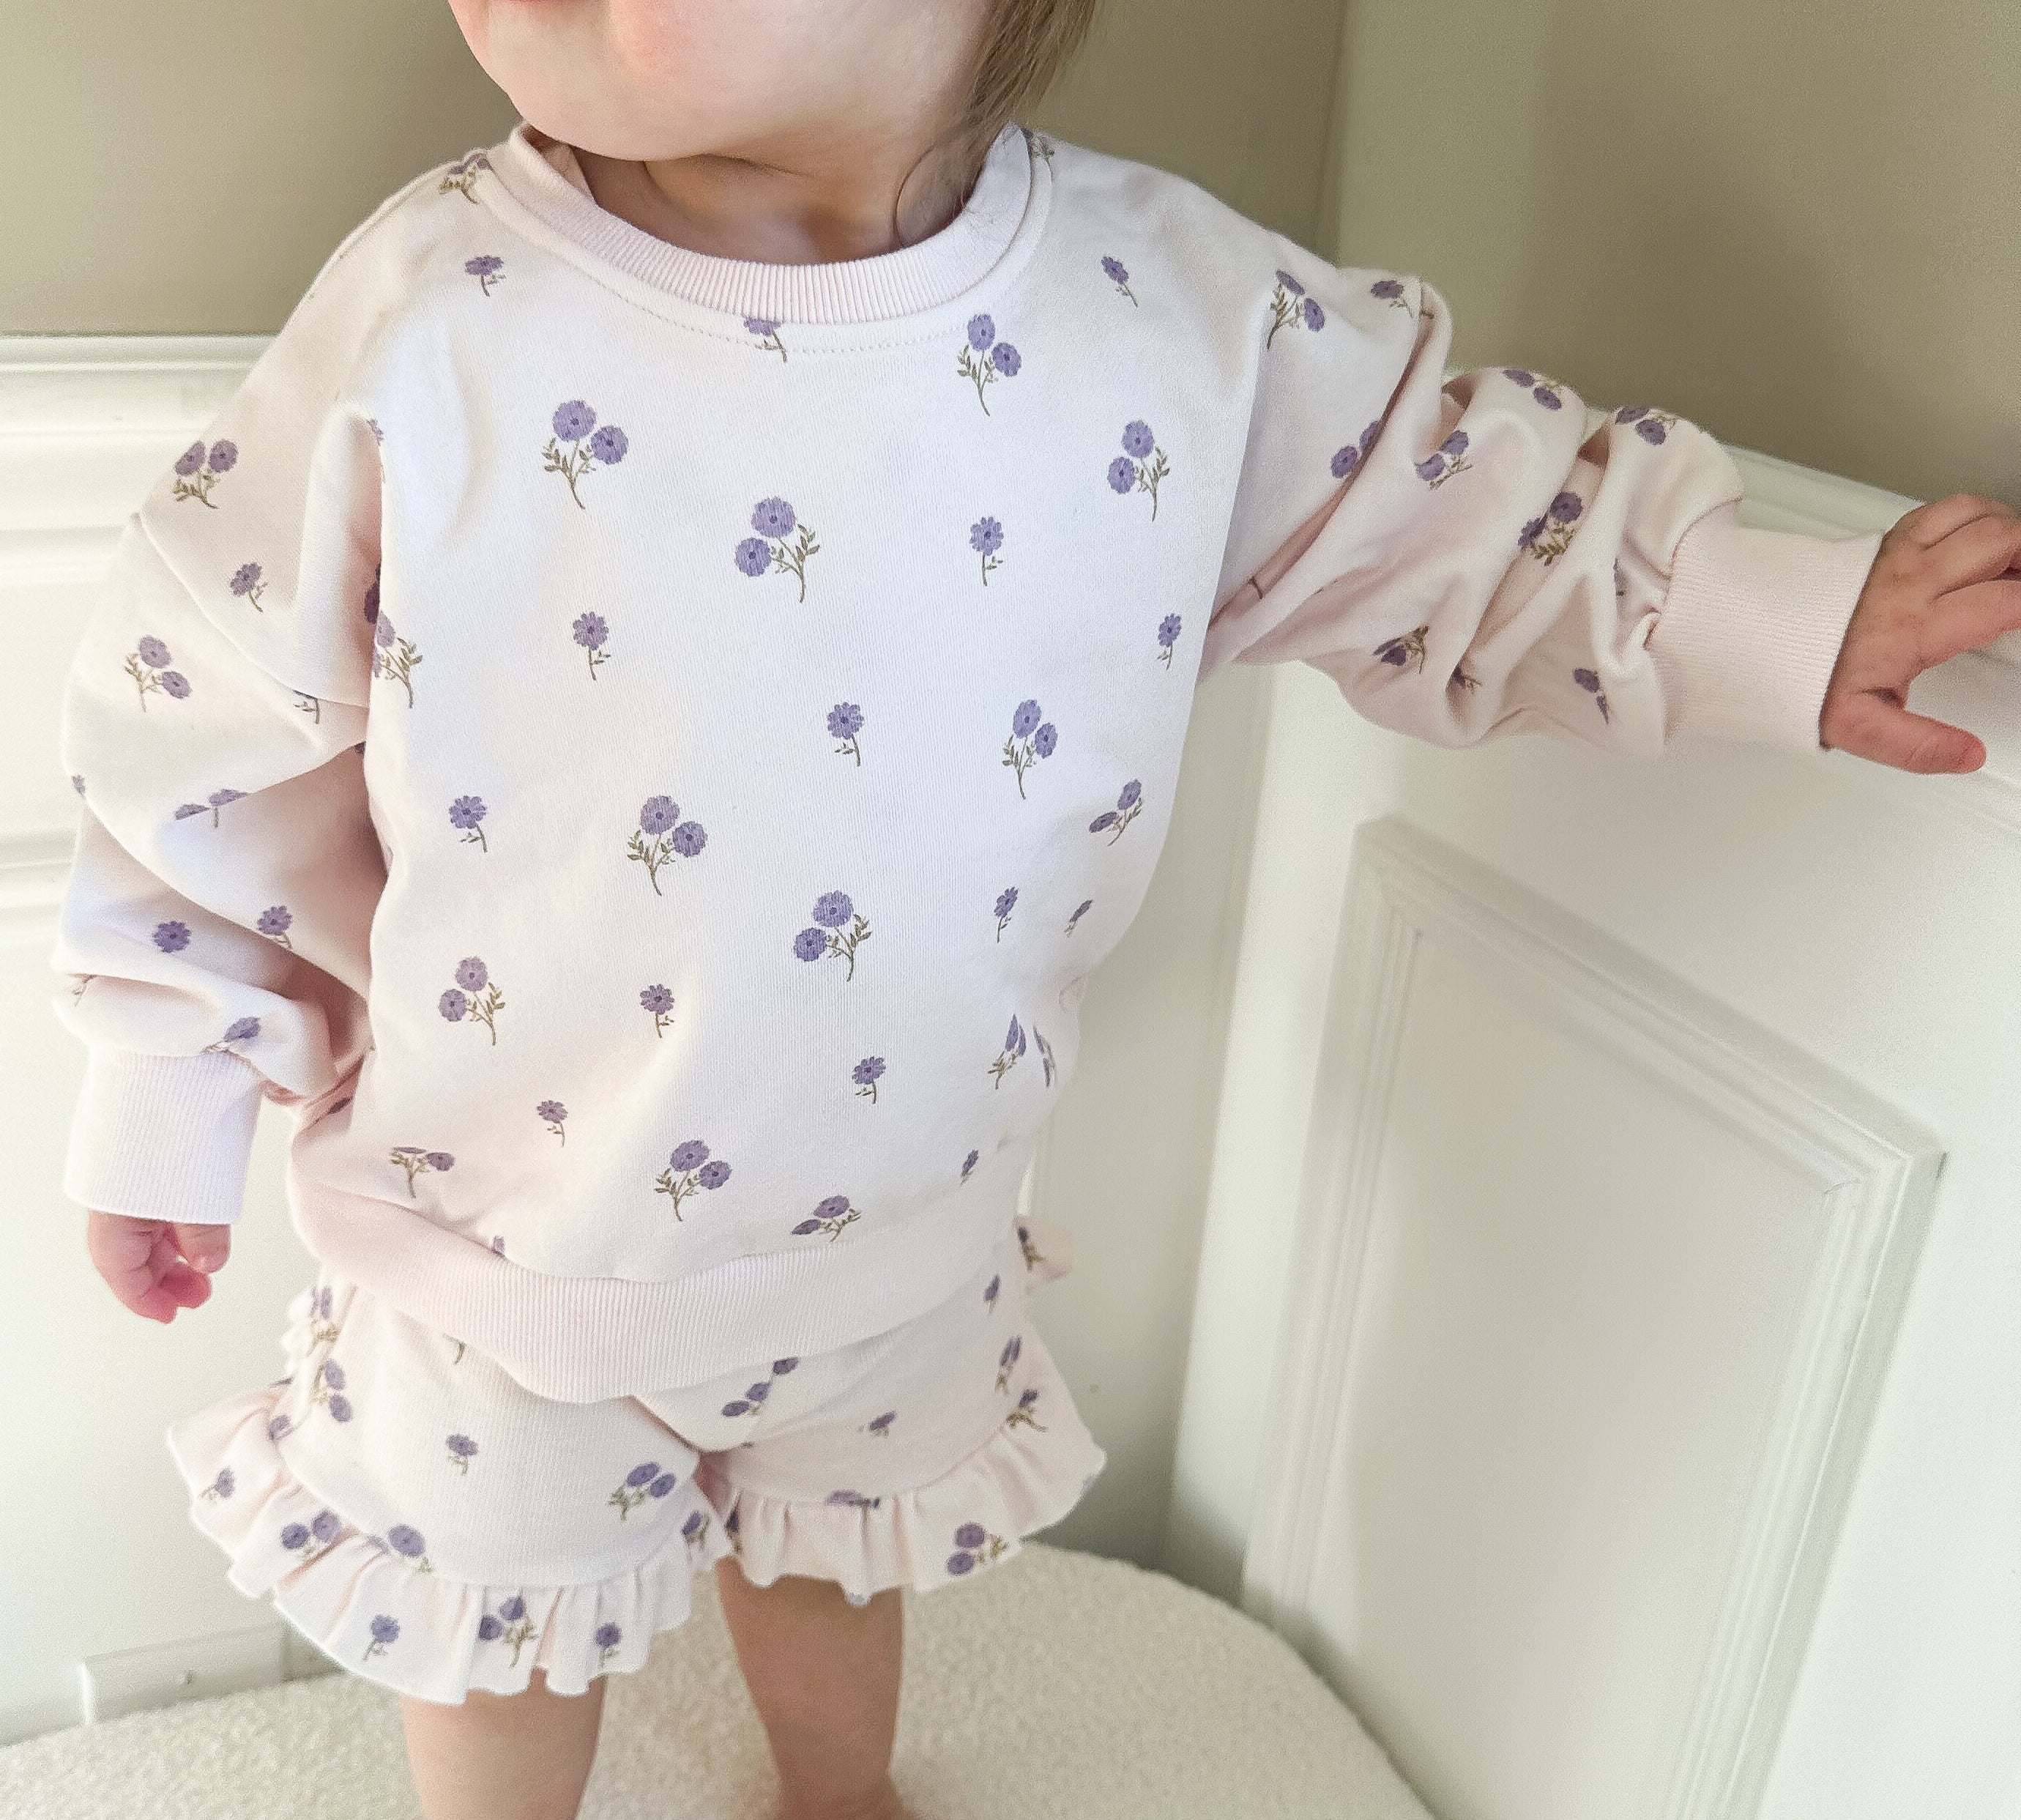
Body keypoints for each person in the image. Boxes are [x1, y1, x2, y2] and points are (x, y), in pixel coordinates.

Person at [51, 1, 2021, 1816]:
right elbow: (198, 717)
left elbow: (1467, 519)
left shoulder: (1172, 314)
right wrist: (168, 1079)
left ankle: (842, 1800)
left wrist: (1772, 618)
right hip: (500, 1249)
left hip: (904, 1219)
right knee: (498, 1640)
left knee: (840, 1566)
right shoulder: (432, 316)